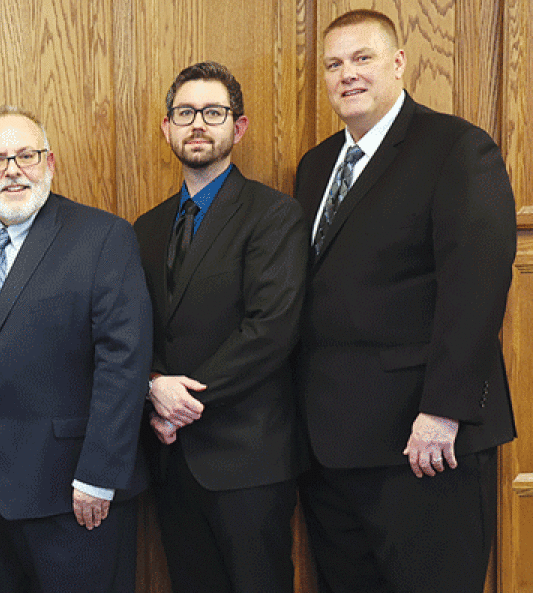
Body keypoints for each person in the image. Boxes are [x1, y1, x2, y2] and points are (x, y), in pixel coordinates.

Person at [294, 9, 516, 592]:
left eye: (363, 58)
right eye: (334, 64)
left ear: (398, 63)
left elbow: (477, 288)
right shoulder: (316, 167)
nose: (348, 74)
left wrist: (443, 413)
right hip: (333, 450)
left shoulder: (457, 148)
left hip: (423, 445)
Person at [0, 106, 152, 593]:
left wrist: (99, 475)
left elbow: (123, 362)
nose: (13, 169)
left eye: (26, 155)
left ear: (50, 162)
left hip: (73, 494)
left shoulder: (102, 237)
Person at [133, 61, 307, 593]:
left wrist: (179, 403)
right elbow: (137, 331)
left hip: (248, 463)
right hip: (171, 462)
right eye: (185, 113)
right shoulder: (147, 226)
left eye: (213, 112)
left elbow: (271, 331)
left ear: (240, 126)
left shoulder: (274, 215)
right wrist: (152, 390)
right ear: (167, 128)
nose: (198, 125)